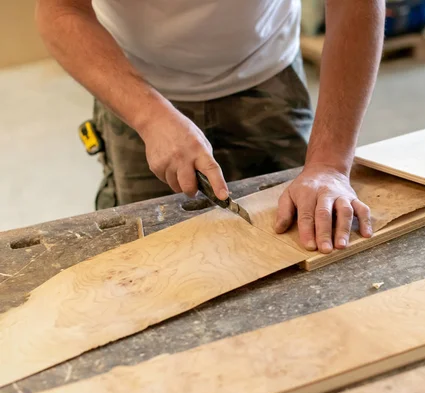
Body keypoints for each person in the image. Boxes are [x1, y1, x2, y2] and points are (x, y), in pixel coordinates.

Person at [36, 0, 384, 254]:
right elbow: (61, 10)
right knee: (146, 255)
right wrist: (150, 117)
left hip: (266, 65)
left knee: (301, 233)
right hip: (132, 76)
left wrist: (329, 164)